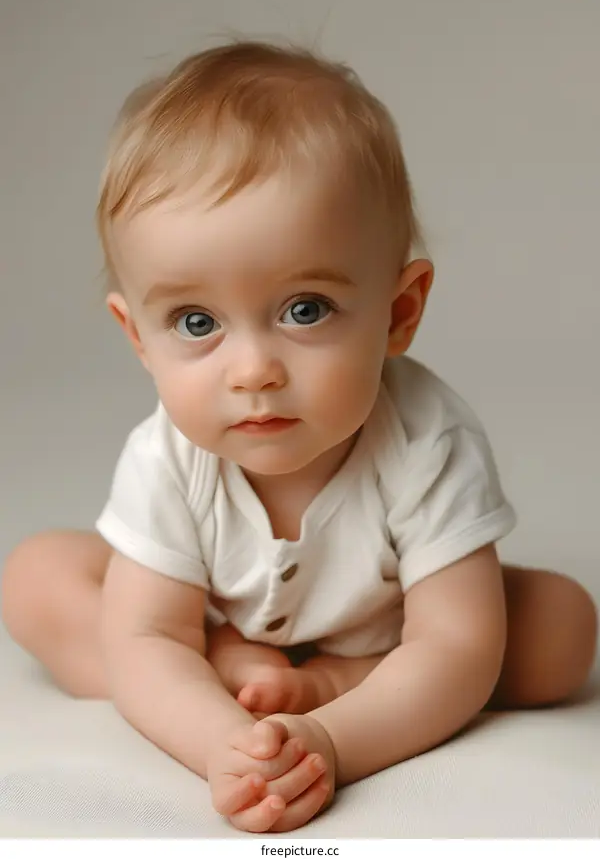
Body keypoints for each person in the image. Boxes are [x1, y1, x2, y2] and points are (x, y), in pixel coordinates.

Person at [2, 41, 597, 835]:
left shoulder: (426, 439)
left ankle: (347, 680)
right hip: (215, 627)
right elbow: (145, 636)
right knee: (37, 576)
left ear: (399, 311)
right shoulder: (169, 454)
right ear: (137, 336)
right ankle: (225, 672)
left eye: (305, 310)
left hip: (394, 636)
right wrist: (223, 745)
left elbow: (455, 644)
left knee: (560, 629)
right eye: (196, 323)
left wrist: (326, 742)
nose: (252, 371)